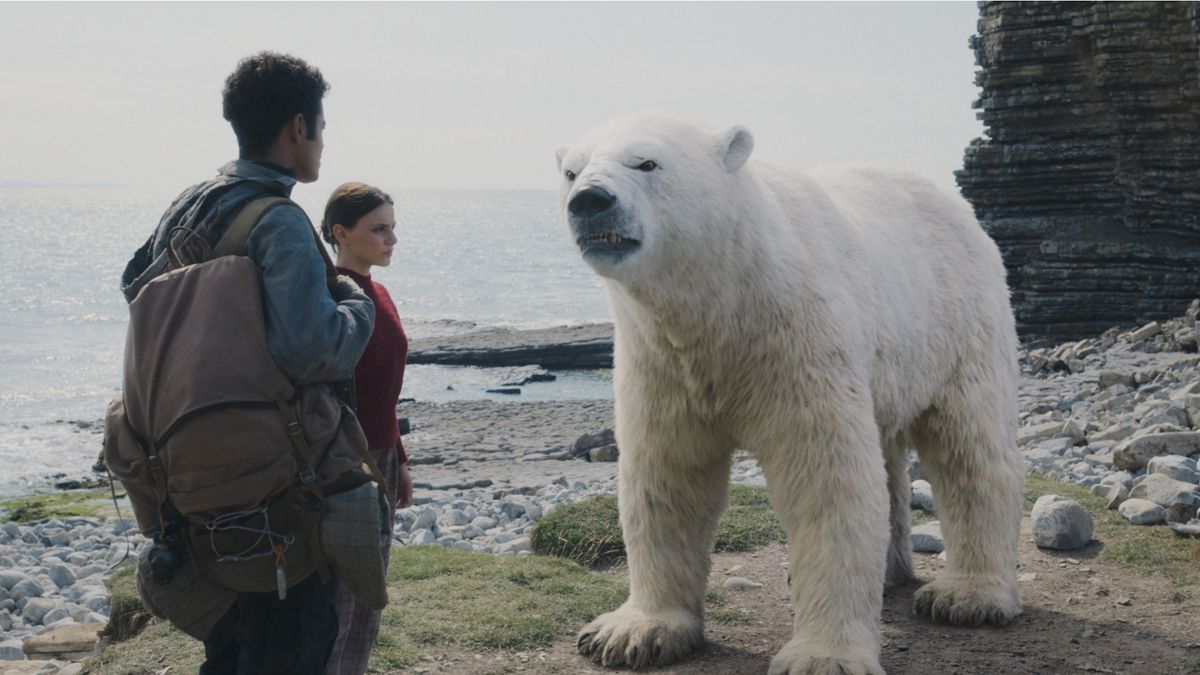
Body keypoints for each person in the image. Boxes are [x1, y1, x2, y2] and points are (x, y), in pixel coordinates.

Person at [120, 52, 375, 675]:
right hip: (275, 482)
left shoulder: (191, 204)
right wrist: (353, 300)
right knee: (293, 638)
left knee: (234, 648)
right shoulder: (279, 220)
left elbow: (136, 286)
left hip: (191, 478)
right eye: (321, 126)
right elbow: (312, 350)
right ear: (298, 127)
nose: (321, 142)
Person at [319, 182, 412, 675]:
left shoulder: (379, 291)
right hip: (344, 465)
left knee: (368, 596)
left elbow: (383, 389)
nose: (391, 239)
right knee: (346, 597)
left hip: (381, 458)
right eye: (379, 229)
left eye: (393, 228)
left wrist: (399, 458)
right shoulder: (329, 295)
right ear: (341, 233)